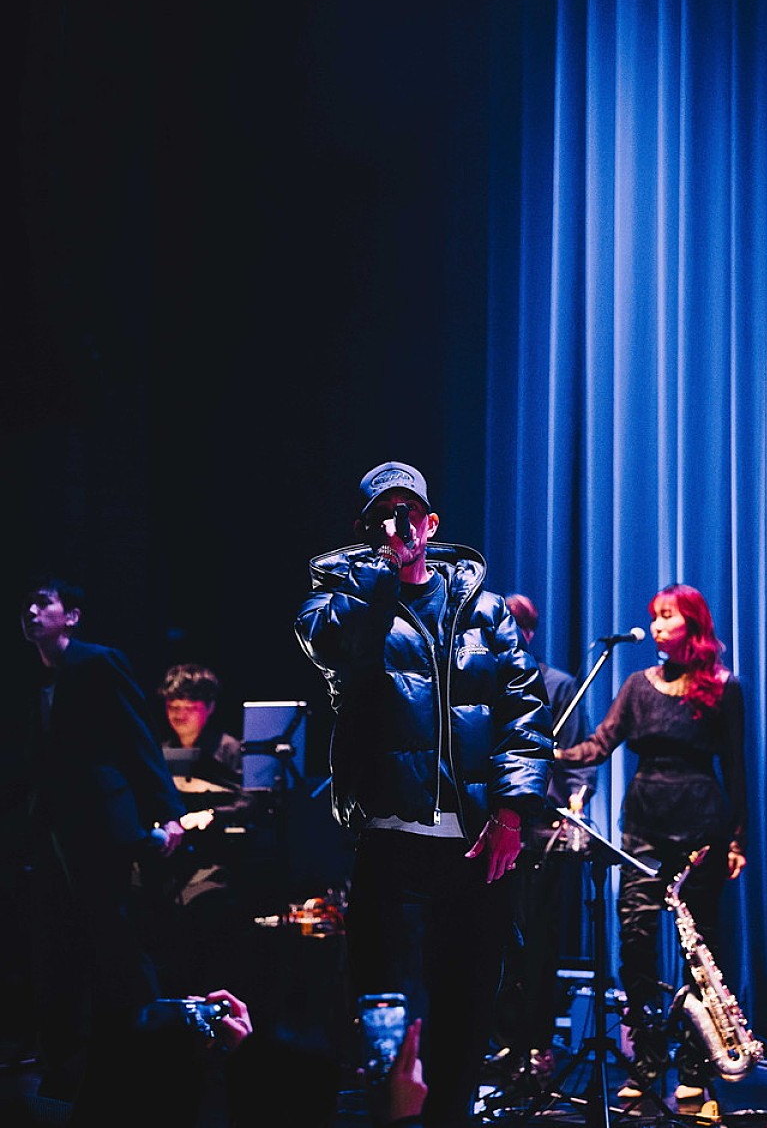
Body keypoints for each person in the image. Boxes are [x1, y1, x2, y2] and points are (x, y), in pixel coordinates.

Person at [294, 460, 554, 1127]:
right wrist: (377, 574)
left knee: (466, 1019)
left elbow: (525, 712)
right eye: (381, 516)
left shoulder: (487, 611)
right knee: (389, 1020)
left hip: (474, 848)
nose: (397, 525)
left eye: (407, 512)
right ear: (363, 531)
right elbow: (335, 647)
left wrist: (512, 812)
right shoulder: (336, 603)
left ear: (431, 523)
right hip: (391, 848)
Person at [554, 583, 747, 1103]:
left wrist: (738, 840)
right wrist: (551, 754)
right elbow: (599, 745)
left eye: (668, 616)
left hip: (702, 829)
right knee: (636, 944)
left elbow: (736, 768)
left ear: (693, 624)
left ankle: (694, 1067)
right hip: (642, 827)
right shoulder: (638, 686)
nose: (658, 626)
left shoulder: (724, 687)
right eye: (655, 616)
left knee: (699, 950)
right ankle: (646, 1062)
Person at [17, 575, 187, 1103]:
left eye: (43, 603)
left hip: (98, 822)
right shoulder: (31, 675)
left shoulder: (97, 663)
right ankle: (70, 1064)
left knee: (112, 934)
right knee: (60, 941)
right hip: (52, 828)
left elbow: (136, 737)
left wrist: (168, 812)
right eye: (27, 605)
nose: (30, 612)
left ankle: (153, 1055)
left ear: (70, 616)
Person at [489, 593, 597, 1084]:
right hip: (491, 826)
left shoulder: (558, 685)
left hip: (541, 832)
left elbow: (578, 760)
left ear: (528, 634)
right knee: (494, 938)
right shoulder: (483, 679)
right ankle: (501, 1040)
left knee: (537, 943)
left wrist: (576, 803)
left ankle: (536, 1044)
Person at [136, 663, 257, 995]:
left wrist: (211, 814)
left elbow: (252, 801)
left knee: (201, 908)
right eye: (173, 707)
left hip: (215, 860)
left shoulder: (231, 749)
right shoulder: (159, 752)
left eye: (189, 707)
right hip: (168, 860)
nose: (179, 715)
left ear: (210, 707)